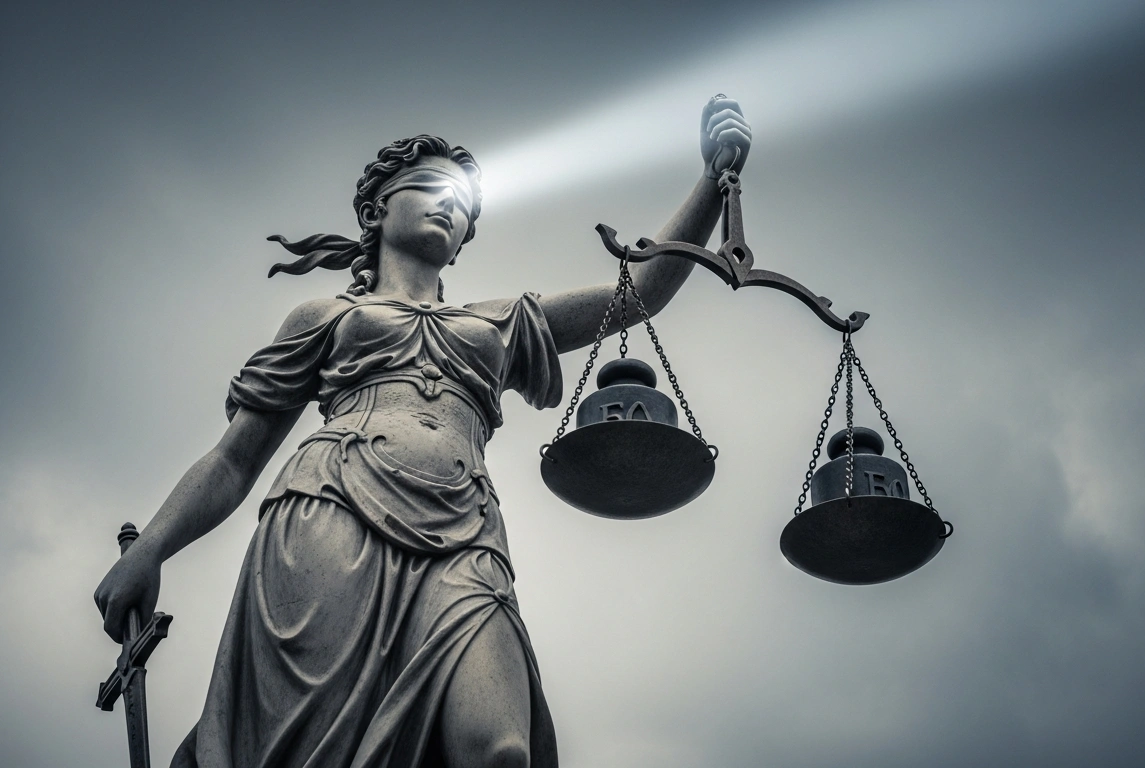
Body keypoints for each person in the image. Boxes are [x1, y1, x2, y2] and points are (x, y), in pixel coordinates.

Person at [93, 96, 752, 768]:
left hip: (466, 536)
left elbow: (638, 293)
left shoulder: (498, 322)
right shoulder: (323, 316)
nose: (450, 205)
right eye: (431, 188)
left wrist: (710, 180)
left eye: (463, 201)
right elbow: (235, 460)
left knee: (499, 751)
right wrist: (152, 547)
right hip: (330, 517)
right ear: (377, 210)